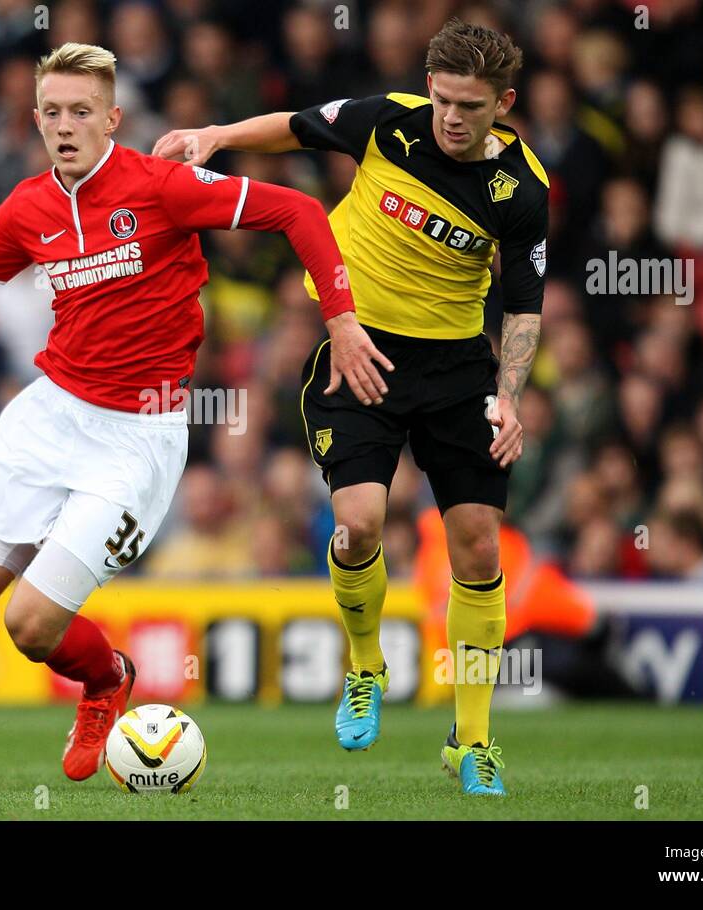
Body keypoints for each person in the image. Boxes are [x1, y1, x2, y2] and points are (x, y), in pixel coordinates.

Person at [0, 43, 387, 791]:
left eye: (82, 111)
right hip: (48, 415)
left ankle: (108, 678)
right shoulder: (28, 207)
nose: (65, 125)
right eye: (52, 111)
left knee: (30, 625)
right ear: (36, 120)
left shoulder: (162, 186)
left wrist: (340, 319)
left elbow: (298, 211)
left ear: (112, 118)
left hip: (136, 438)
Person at [154, 19, 549, 796]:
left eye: (471, 106)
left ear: (503, 102)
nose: (451, 118)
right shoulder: (391, 121)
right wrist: (216, 134)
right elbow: (298, 128)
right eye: (443, 99)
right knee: (359, 524)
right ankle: (365, 665)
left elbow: (526, 306)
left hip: (458, 370)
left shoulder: (522, 190)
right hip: (356, 351)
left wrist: (508, 398)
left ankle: (472, 741)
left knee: (475, 547)